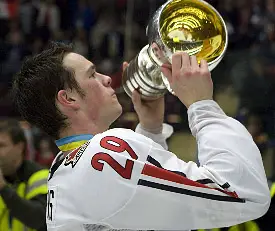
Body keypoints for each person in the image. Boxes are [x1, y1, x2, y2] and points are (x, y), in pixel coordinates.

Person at [12, 42, 270, 231]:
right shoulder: (102, 153)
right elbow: (241, 194)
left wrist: (150, 129)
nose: (106, 79)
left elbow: (137, 210)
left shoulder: (63, 166)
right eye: (92, 74)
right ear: (67, 99)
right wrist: (202, 106)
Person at [0, 118, 48, 231]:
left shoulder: (41, 176)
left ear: (20, 147)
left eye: (1, 145)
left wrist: (3, 188)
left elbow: (41, 219)